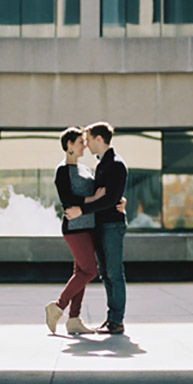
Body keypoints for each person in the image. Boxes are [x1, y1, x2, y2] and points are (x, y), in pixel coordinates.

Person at [65, 121, 128, 335]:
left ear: (99, 139)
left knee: (114, 273)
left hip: (112, 226)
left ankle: (116, 320)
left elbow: (110, 198)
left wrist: (82, 211)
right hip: (100, 226)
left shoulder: (116, 164)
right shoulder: (102, 164)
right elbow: (109, 196)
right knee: (106, 274)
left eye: (89, 140)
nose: (87, 144)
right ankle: (112, 319)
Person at [45, 127, 103, 335]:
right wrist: (94, 200)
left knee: (80, 273)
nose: (84, 145)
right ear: (69, 145)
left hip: (90, 227)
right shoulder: (62, 171)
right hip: (74, 228)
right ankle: (58, 306)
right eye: (80, 142)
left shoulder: (86, 169)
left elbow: (97, 192)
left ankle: (74, 320)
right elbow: (68, 200)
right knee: (90, 271)